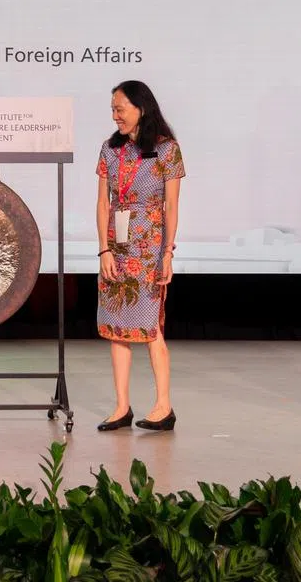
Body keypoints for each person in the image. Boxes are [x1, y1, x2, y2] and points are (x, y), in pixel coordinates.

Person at [95, 81, 184, 433]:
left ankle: (164, 406)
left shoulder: (167, 150)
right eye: (113, 108)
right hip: (116, 247)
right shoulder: (109, 149)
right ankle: (121, 407)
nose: (115, 115)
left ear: (141, 108)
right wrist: (103, 248)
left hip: (149, 248)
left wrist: (167, 253)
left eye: (121, 108)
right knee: (117, 329)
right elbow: (103, 203)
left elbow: (172, 204)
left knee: (150, 328)